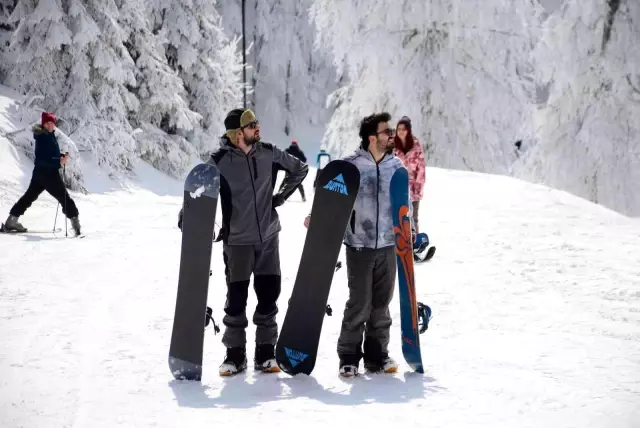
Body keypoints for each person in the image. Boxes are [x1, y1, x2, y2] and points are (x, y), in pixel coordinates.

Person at [179, 108, 308, 376]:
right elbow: (198, 189)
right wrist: (188, 214)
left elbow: (300, 169)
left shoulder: (269, 152)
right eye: (251, 125)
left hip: (268, 239)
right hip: (237, 241)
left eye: (257, 123)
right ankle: (235, 355)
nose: (257, 127)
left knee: (268, 295)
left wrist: (280, 197)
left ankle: (265, 352)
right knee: (236, 299)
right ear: (237, 133)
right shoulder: (219, 161)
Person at [304, 112, 411, 377]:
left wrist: (410, 235)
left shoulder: (396, 168)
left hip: (388, 244)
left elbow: (403, 207)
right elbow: (331, 196)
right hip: (359, 245)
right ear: (372, 137)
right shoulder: (350, 166)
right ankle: (349, 356)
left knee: (381, 305)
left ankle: (378, 355)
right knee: (359, 303)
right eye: (387, 131)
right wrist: (317, 218)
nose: (391, 135)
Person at [2, 112, 81, 236]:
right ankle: (76, 227)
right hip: (49, 174)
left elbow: (47, 155)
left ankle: (11, 220)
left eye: (52, 123)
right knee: (65, 198)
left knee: (28, 197)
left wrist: (60, 156)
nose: (50, 125)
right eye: (47, 123)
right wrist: (60, 160)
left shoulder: (44, 135)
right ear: (43, 123)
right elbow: (45, 157)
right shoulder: (45, 136)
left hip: (39, 173)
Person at [393, 116, 425, 233]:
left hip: (413, 188)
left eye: (404, 129)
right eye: (399, 129)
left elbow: (421, 168)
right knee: (399, 217)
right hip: (398, 189)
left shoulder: (416, 145)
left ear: (408, 130)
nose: (401, 131)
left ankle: (415, 242)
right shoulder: (393, 146)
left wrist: (418, 188)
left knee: (413, 217)